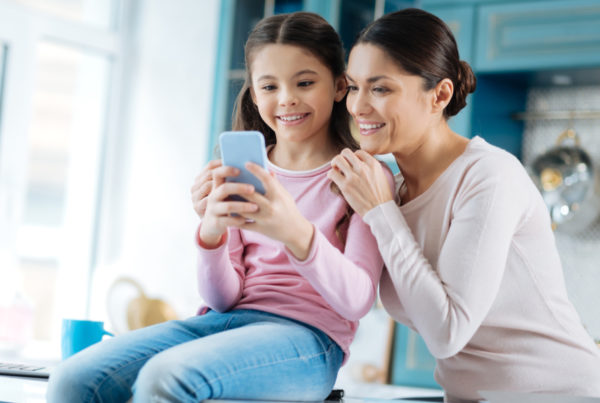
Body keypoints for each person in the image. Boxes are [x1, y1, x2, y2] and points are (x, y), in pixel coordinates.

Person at [47, 12, 384, 403]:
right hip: (223, 324)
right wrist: (211, 233)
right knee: (72, 379)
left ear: (340, 86)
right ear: (255, 96)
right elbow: (223, 299)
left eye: (305, 82)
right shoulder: (242, 169)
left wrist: (295, 231)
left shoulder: (361, 174)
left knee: (166, 376)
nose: (287, 98)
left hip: (309, 340)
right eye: (269, 86)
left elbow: (358, 300)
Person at [328, 8, 600, 403]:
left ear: (439, 94)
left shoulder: (488, 176)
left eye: (381, 89)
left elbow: (447, 331)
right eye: (353, 87)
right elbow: (345, 290)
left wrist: (379, 212)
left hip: (559, 395)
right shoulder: (385, 187)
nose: (357, 106)